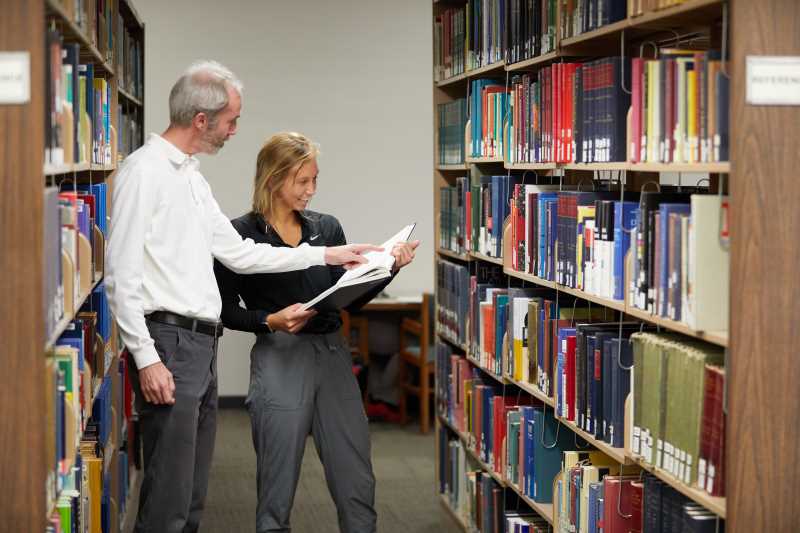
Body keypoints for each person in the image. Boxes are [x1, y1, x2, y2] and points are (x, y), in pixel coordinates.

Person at [105, 61, 380, 533]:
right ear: (201, 120)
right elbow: (119, 274)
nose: (235, 130)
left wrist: (328, 254)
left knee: (191, 493)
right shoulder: (144, 173)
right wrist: (147, 359)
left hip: (199, 345)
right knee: (169, 494)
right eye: (231, 120)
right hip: (169, 343)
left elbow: (241, 255)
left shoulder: (190, 177)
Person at [214, 132, 419, 533]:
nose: (311, 190)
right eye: (302, 181)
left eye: (315, 180)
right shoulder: (239, 235)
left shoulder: (327, 228)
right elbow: (225, 311)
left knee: (355, 476)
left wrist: (388, 268)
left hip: (333, 356)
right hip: (279, 357)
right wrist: (269, 321)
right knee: (277, 485)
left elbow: (348, 300)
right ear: (273, 179)